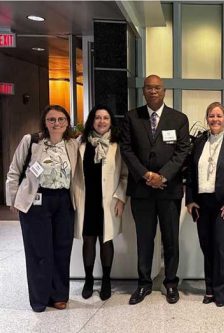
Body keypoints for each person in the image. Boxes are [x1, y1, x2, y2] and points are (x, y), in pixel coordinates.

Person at [120, 74, 190, 305]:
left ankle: (171, 283)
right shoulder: (132, 117)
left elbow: (182, 151)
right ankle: (144, 284)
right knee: (144, 238)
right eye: (149, 88)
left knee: (171, 238)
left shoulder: (178, 119)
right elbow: (127, 150)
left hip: (169, 190)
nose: (153, 91)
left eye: (157, 88)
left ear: (164, 91)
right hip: (142, 189)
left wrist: (163, 176)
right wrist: (146, 175)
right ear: (143, 91)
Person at [5, 105, 79, 312]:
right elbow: (14, 171)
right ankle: (40, 298)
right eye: (52, 119)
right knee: (39, 251)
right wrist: (12, 199)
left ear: (67, 122)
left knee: (62, 250)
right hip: (36, 201)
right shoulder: (32, 141)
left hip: (64, 201)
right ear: (44, 122)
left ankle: (59, 295)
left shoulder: (72, 144)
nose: (57, 123)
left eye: (61, 119)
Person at [185, 102, 224, 307]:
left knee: (220, 246)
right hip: (203, 203)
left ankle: (222, 291)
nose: (215, 119)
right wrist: (190, 199)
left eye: (219, 116)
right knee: (206, 246)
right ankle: (209, 288)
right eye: (211, 116)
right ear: (207, 119)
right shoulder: (200, 141)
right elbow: (191, 173)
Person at [73, 105, 128, 301]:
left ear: (111, 121)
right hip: (86, 200)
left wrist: (120, 198)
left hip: (108, 201)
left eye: (106, 118)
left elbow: (124, 175)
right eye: (98, 118)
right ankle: (88, 279)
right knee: (88, 239)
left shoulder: (116, 145)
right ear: (92, 120)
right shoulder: (80, 143)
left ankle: (106, 279)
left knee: (106, 240)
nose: (102, 121)